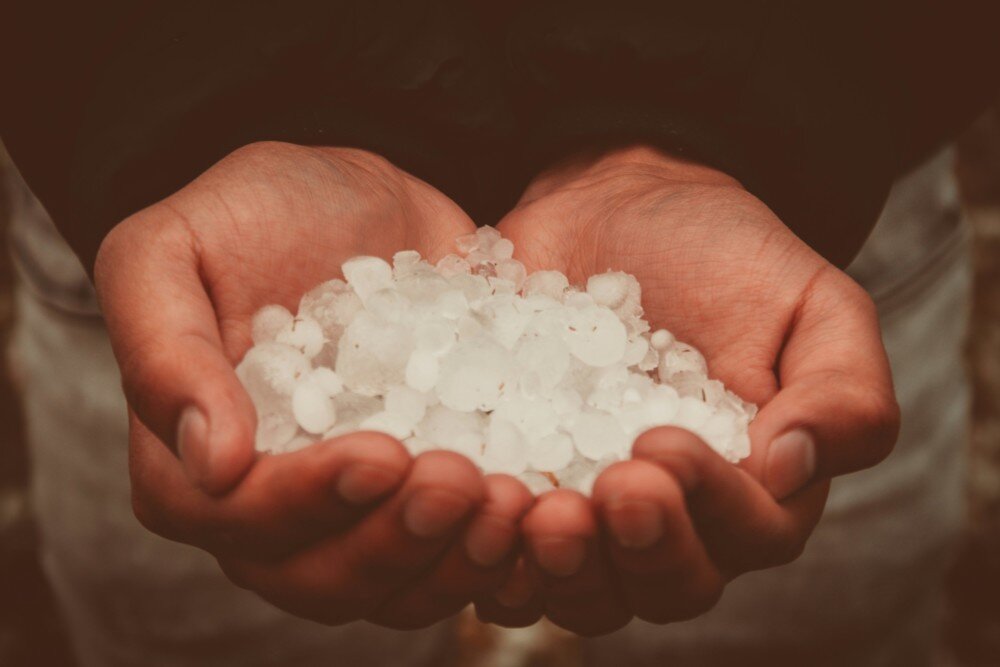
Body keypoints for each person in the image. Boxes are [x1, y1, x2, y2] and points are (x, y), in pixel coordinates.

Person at [2, 2, 998, 664]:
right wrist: (181, 100)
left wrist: (753, 108)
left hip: (814, 167)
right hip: (154, 162)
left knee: (796, 629)